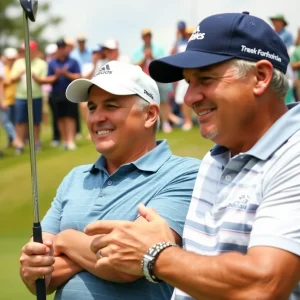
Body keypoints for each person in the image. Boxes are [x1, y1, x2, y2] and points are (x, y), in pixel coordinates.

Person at [85, 12, 300, 300]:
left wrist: (156, 256)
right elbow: (205, 270)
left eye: (205, 79)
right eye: (188, 82)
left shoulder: (293, 154)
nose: (189, 98)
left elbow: (264, 285)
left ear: (260, 77)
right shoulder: (216, 158)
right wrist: (168, 249)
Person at [19, 60, 200, 300]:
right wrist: (34, 269)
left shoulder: (185, 174)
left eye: (111, 105)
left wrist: (65, 239)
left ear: (150, 114)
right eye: (92, 108)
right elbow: (42, 277)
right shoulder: (75, 178)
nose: (97, 118)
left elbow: (129, 261)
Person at [33, 39, 81, 150]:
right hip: (56, 93)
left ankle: (71, 140)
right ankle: (65, 140)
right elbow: (48, 78)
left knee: (70, 117)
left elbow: (78, 76)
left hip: (70, 92)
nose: (61, 50)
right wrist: (57, 75)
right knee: (60, 118)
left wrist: (66, 73)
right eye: (59, 48)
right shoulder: (52, 63)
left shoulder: (73, 61)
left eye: (63, 48)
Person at [132, 29, 177, 133]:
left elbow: (161, 62)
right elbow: (136, 66)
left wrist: (151, 56)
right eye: (145, 36)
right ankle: (150, 124)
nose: (147, 38)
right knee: (146, 103)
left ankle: (165, 123)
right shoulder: (137, 51)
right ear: (142, 38)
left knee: (164, 101)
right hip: (144, 79)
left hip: (158, 77)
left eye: (149, 36)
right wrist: (144, 58)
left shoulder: (159, 48)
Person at [10, 41, 47, 153]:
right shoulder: (18, 63)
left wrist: (35, 77)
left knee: (36, 121)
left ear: (34, 50)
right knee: (20, 121)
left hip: (35, 96)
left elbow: (43, 81)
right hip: (21, 96)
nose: (26, 52)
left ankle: (36, 143)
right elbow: (12, 79)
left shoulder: (41, 63)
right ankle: (20, 144)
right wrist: (20, 73)